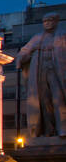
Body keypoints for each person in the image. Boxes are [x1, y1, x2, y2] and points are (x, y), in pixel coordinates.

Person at [17, 12, 66, 141]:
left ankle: (62, 128)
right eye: (45, 21)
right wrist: (22, 58)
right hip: (40, 72)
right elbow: (24, 51)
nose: (47, 23)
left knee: (58, 99)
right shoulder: (38, 38)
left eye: (50, 20)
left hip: (57, 72)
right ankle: (48, 130)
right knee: (43, 101)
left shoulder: (62, 36)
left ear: (56, 21)